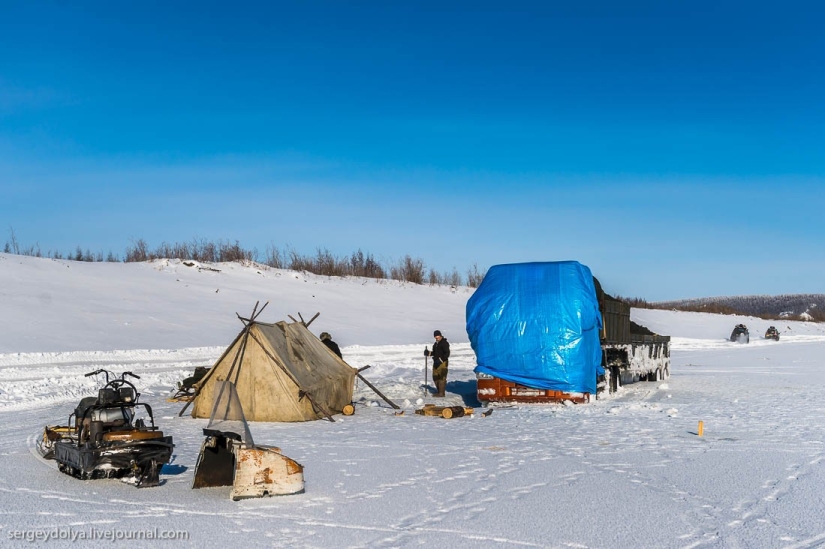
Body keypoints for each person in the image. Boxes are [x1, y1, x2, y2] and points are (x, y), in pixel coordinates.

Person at [425, 330, 450, 397]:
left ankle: (441, 393)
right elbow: (435, 353)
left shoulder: (444, 343)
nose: (436, 337)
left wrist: (440, 360)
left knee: (442, 377)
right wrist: (428, 353)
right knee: (435, 376)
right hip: (436, 362)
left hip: (443, 363)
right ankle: (439, 391)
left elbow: (447, 353)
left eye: (437, 336)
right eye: (435, 337)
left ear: (440, 335)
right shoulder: (436, 344)